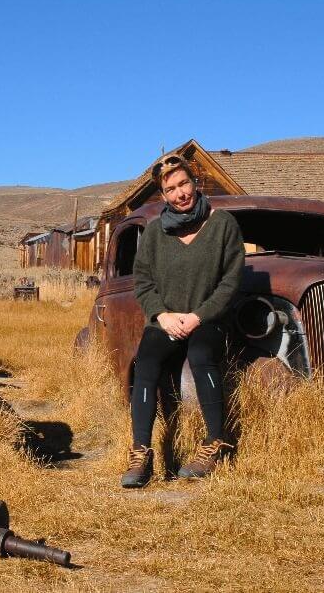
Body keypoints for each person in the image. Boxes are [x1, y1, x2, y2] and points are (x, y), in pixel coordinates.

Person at [121, 154, 245, 488]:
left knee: (202, 354)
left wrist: (198, 316)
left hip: (209, 319)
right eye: (171, 189)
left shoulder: (222, 225)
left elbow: (230, 282)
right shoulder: (154, 233)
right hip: (167, 320)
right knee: (146, 360)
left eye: (183, 184)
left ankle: (215, 443)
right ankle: (141, 453)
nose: (180, 194)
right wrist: (162, 315)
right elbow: (143, 283)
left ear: (195, 183)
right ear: (163, 196)